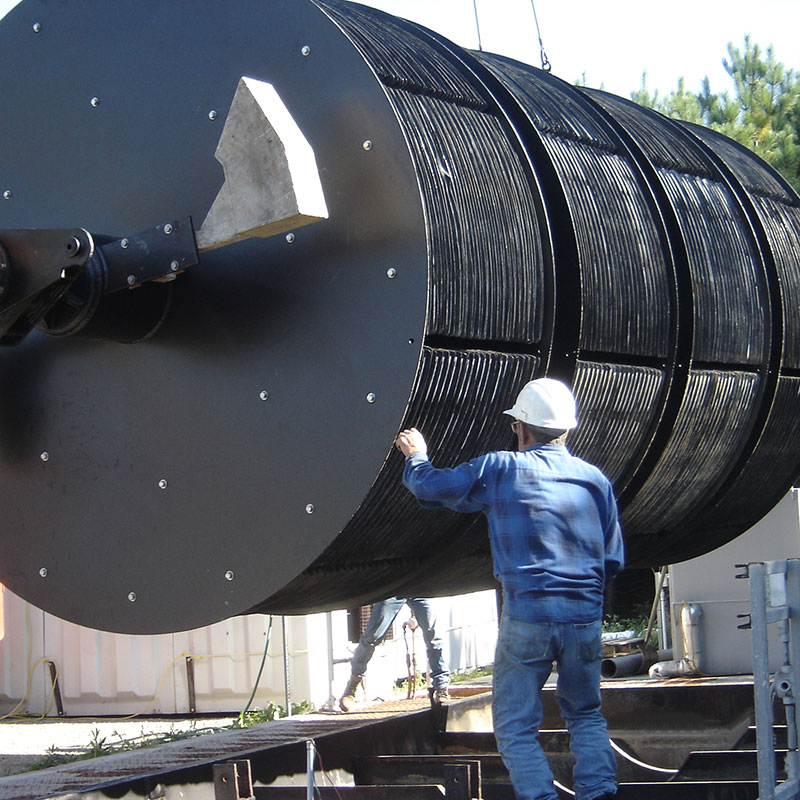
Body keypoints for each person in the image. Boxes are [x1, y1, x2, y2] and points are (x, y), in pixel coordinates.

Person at [396, 378, 624, 800]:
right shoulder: (595, 481)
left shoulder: (501, 469)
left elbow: (431, 487)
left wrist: (416, 455)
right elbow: (612, 560)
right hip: (584, 619)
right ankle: (599, 793)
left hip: (527, 617)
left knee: (516, 726)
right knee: (586, 715)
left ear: (522, 428)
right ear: (566, 430)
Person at [339, 596, 450, 711]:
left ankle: (441, 687)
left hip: (418, 590)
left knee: (433, 637)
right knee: (372, 637)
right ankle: (353, 684)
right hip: (394, 592)